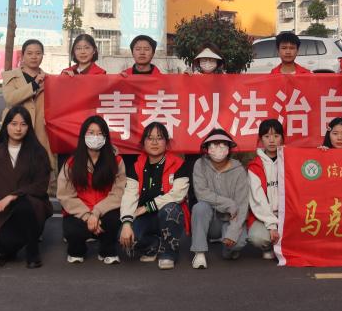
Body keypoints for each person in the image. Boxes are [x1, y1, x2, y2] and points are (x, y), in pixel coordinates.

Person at [0, 105, 52, 269]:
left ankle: (33, 253)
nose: (18, 129)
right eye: (14, 124)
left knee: (24, 204)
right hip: (5, 215)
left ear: (29, 127)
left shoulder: (37, 152)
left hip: (33, 209)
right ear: (6, 125)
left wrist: (13, 196)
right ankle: (11, 248)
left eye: (23, 124)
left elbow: (41, 186)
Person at [118, 122, 190, 270]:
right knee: (124, 237)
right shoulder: (136, 166)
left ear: (166, 142)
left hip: (168, 216)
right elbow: (129, 196)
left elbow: (178, 195)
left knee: (171, 209)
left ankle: (168, 253)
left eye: (159, 138)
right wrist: (126, 222)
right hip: (145, 217)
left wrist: (148, 207)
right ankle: (153, 245)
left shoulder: (179, 164)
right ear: (143, 142)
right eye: (150, 138)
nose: (155, 142)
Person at [57, 115, 126, 264]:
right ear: (83, 135)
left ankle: (107, 250)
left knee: (113, 221)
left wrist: (97, 212)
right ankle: (77, 250)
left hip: (105, 210)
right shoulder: (71, 162)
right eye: (91, 133)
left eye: (100, 133)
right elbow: (65, 195)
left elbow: (118, 192)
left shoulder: (116, 161)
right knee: (73, 229)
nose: (95, 137)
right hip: (80, 212)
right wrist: (87, 216)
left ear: (106, 137)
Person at [190, 129, 249, 269]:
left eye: (223, 144)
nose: (218, 148)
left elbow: (242, 204)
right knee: (199, 207)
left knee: (238, 243)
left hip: (231, 219)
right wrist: (228, 203)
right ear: (207, 148)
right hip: (211, 220)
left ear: (229, 148)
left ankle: (229, 249)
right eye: (214, 144)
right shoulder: (200, 164)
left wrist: (232, 232)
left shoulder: (239, 170)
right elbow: (201, 193)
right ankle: (199, 253)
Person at [247, 119, 284, 260]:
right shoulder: (255, 166)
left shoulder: (290, 160)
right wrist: (272, 225)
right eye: (267, 136)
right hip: (264, 217)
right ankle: (268, 247)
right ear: (261, 139)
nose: (272, 140)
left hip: (287, 215)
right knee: (257, 237)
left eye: (276, 136)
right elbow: (258, 200)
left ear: (282, 138)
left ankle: (283, 247)